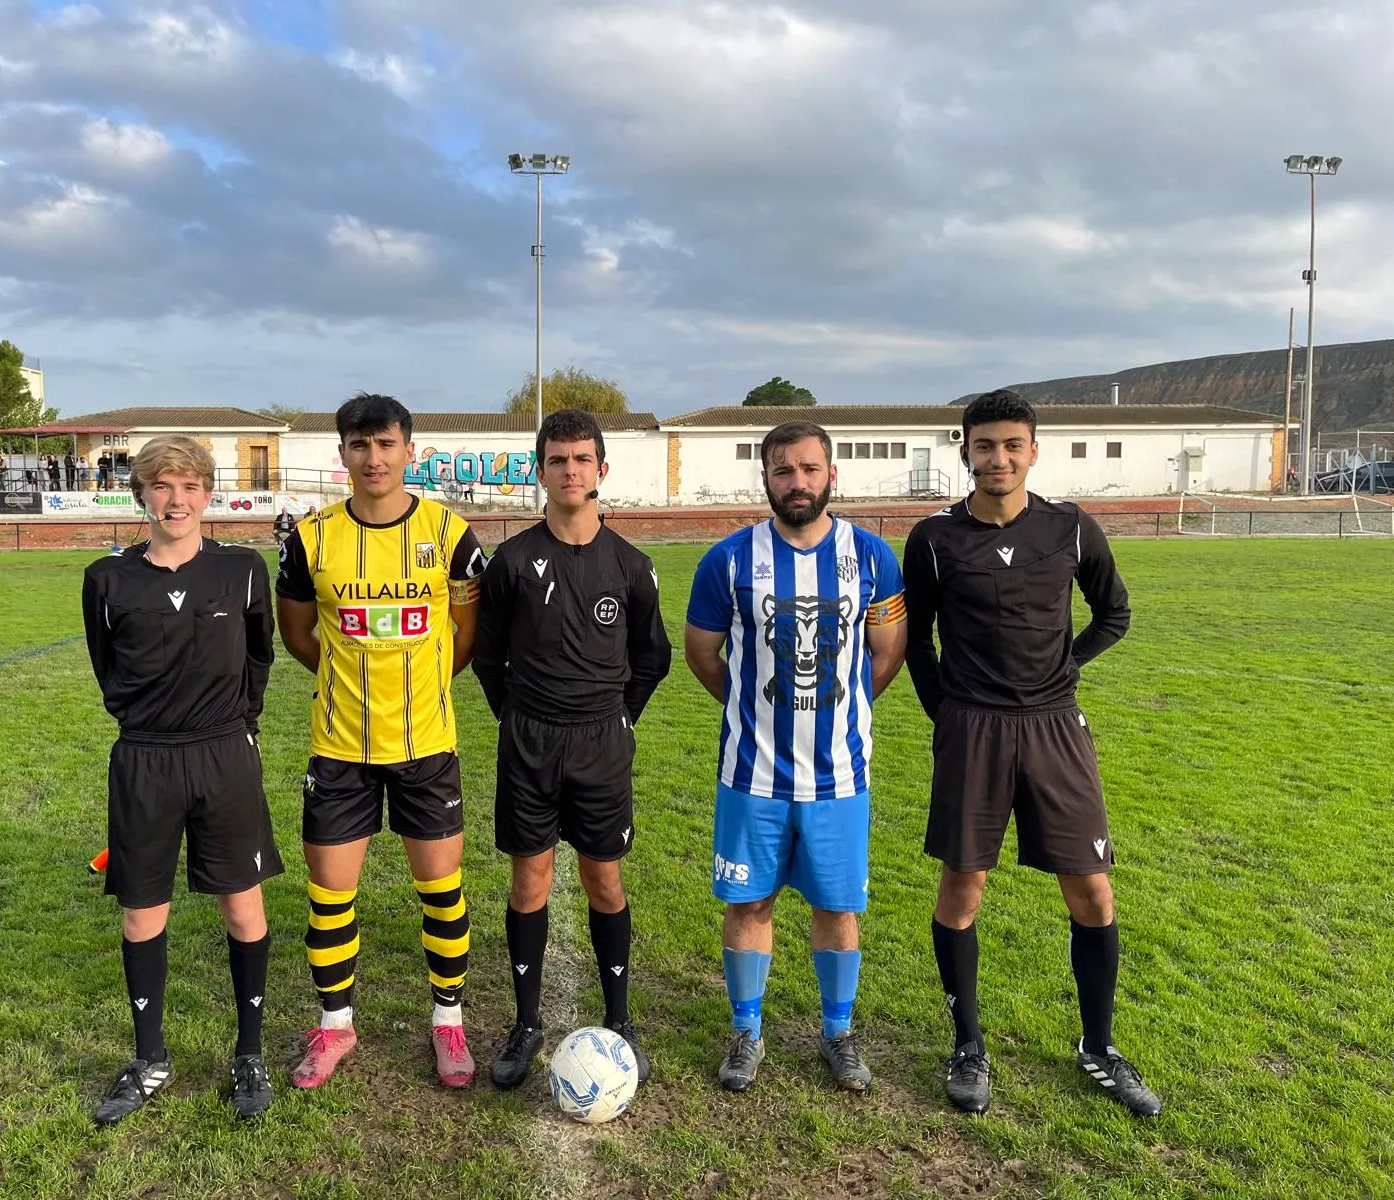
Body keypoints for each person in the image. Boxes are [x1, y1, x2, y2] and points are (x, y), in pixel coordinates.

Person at [901, 388, 1160, 1118]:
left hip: (1054, 728)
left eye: (1012, 445)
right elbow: (915, 638)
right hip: (973, 729)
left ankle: (1100, 1048)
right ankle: (967, 1045)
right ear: (966, 453)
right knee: (963, 886)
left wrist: (1066, 667)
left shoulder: (1071, 529)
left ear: (1034, 450)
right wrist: (945, 710)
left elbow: (1116, 613)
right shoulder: (934, 540)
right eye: (985, 446)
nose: (999, 458)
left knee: (1093, 889)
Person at [683, 420, 907, 1093]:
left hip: (840, 776)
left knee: (837, 909)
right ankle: (746, 1032)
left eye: (810, 469)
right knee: (749, 904)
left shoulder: (871, 557)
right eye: (784, 471)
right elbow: (701, 653)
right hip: (750, 776)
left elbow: (887, 651)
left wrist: (844, 711)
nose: (798, 482)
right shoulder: (726, 560)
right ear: (767, 479)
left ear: (832, 473)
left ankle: (838, 1033)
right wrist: (750, 709)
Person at [275, 393, 489, 1090]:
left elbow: (466, 634)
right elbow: (299, 635)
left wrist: (422, 683)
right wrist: (349, 679)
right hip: (340, 748)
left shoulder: (452, 534)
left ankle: (447, 1021)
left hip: (428, 744)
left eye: (386, 445)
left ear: (409, 452)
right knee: (331, 896)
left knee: (442, 889)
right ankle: (335, 1027)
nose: (374, 459)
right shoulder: (309, 540)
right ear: (342, 455)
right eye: (359, 446)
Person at [80, 434, 283, 1125]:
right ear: (141, 495)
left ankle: (248, 1053)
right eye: (163, 486)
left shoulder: (243, 570)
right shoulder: (107, 580)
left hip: (224, 755)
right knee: (142, 912)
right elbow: (108, 669)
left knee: (242, 906)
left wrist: (237, 725)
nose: (177, 499)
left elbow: (260, 657)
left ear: (208, 494)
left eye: (191, 486)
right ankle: (149, 1058)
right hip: (145, 759)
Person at [472, 409, 672, 1089]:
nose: (570, 470)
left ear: (602, 470)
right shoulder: (513, 560)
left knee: (603, 879)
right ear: (541, 470)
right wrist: (518, 716)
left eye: (582, 459)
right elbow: (486, 654)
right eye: (558, 459)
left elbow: (652, 658)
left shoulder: (631, 565)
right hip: (529, 741)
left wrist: (618, 721)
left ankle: (619, 1020)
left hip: (600, 744)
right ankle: (527, 1023)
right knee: (528, 880)